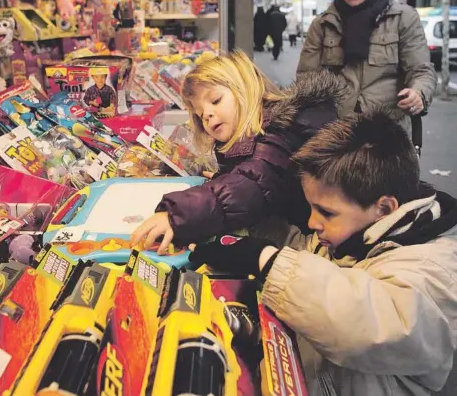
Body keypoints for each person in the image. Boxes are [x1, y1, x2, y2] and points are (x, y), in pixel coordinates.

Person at [188, 110, 457, 396]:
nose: (313, 223)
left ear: (384, 208)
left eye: (326, 212)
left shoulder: (433, 270)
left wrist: (267, 260)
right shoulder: (353, 238)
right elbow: (317, 295)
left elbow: (364, 323)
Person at [130, 50, 344, 254]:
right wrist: (223, 178)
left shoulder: (277, 134)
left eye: (215, 101)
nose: (207, 115)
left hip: (315, 245)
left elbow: (249, 185)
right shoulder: (255, 135)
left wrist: (176, 216)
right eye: (200, 113)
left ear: (244, 89)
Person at [297, 0, 437, 142]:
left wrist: (418, 93)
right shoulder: (322, 24)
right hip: (336, 136)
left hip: (388, 136)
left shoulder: (403, 18)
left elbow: (421, 70)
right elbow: (306, 80)